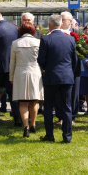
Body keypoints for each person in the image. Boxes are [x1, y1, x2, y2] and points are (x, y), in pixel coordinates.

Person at [37, 14, 77, 143]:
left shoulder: (46, 39)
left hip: (51, 76)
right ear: (60, 24)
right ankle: (67, 136)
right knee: (67, 107)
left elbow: (41, 59)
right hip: (67, 76)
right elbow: (74, 60)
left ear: (49, 25)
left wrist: (45, 67)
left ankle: (50, 135)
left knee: (48, 106)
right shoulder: (70, 40)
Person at [9, 22, 44, 137]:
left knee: (23, 102)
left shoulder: (15, 43)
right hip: (34, 72)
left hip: (20, 73)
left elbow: (12, 62)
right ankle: (33, 124)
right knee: (34, 101)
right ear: (33, 31)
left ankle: (26, 127)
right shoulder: (38, 42)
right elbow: (42, 60)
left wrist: (11, 76)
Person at [21, 12, 44, 114]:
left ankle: (36, 111)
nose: (26, 22)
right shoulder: (17, 33)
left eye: (28, 20)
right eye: (24, 20)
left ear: (33, 22)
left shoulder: (39, 35)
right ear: (21, 21)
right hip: (21, 68)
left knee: (34, 94)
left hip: (36, 68)